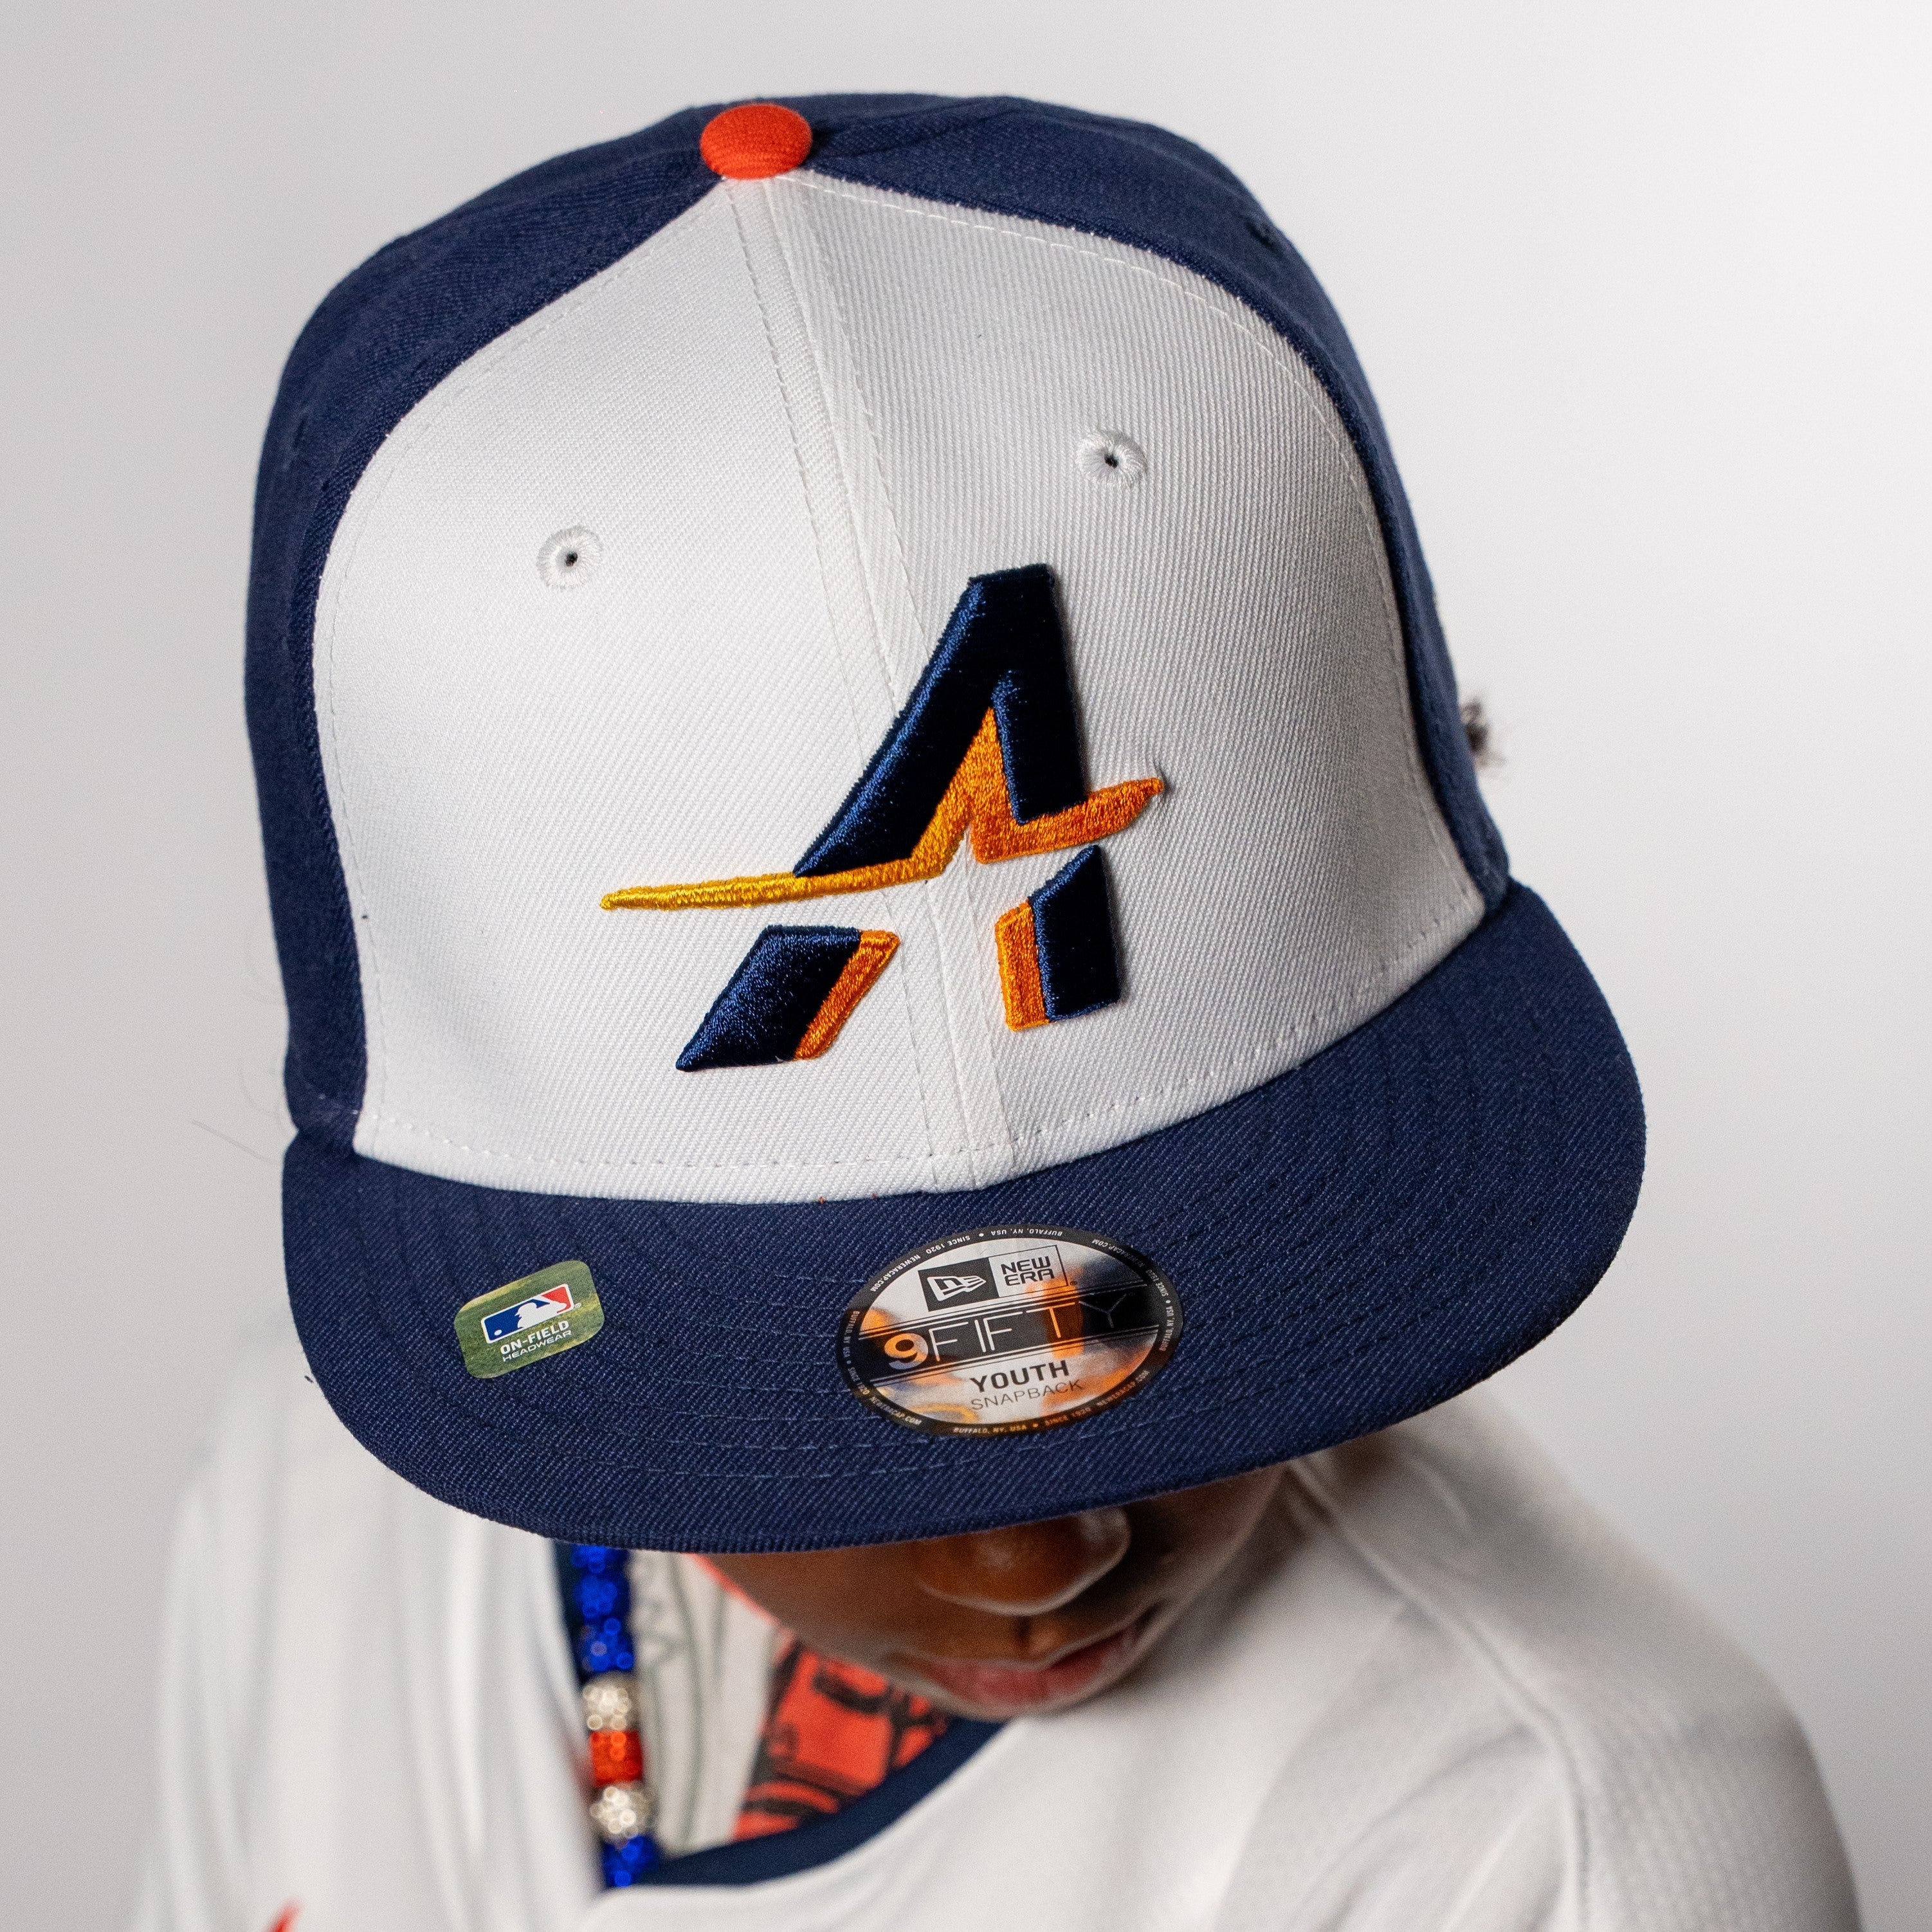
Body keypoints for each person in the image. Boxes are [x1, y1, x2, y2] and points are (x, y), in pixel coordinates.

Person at [135, 95, 1859, 1931]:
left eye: (1190, 1325)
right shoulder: (317, 1501)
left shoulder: (1581, 1835)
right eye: (822, 1395)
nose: (1043, 1562)